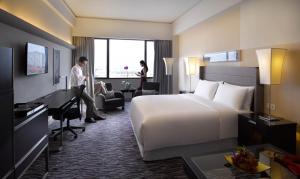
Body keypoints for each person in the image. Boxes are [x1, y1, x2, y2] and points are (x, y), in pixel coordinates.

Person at [70, 56, 105, 123]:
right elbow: (77, 81)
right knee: (91, 101)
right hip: (76, 89)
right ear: (80, 62)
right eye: (84, 64)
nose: (84, 65)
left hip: (80, 88)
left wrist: (84, 78)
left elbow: (79, 79)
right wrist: (85, 77)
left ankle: (94, 115)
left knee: (89, 101)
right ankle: (88, 118)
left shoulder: (79, 68)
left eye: (85, 64)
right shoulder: (75, 68)